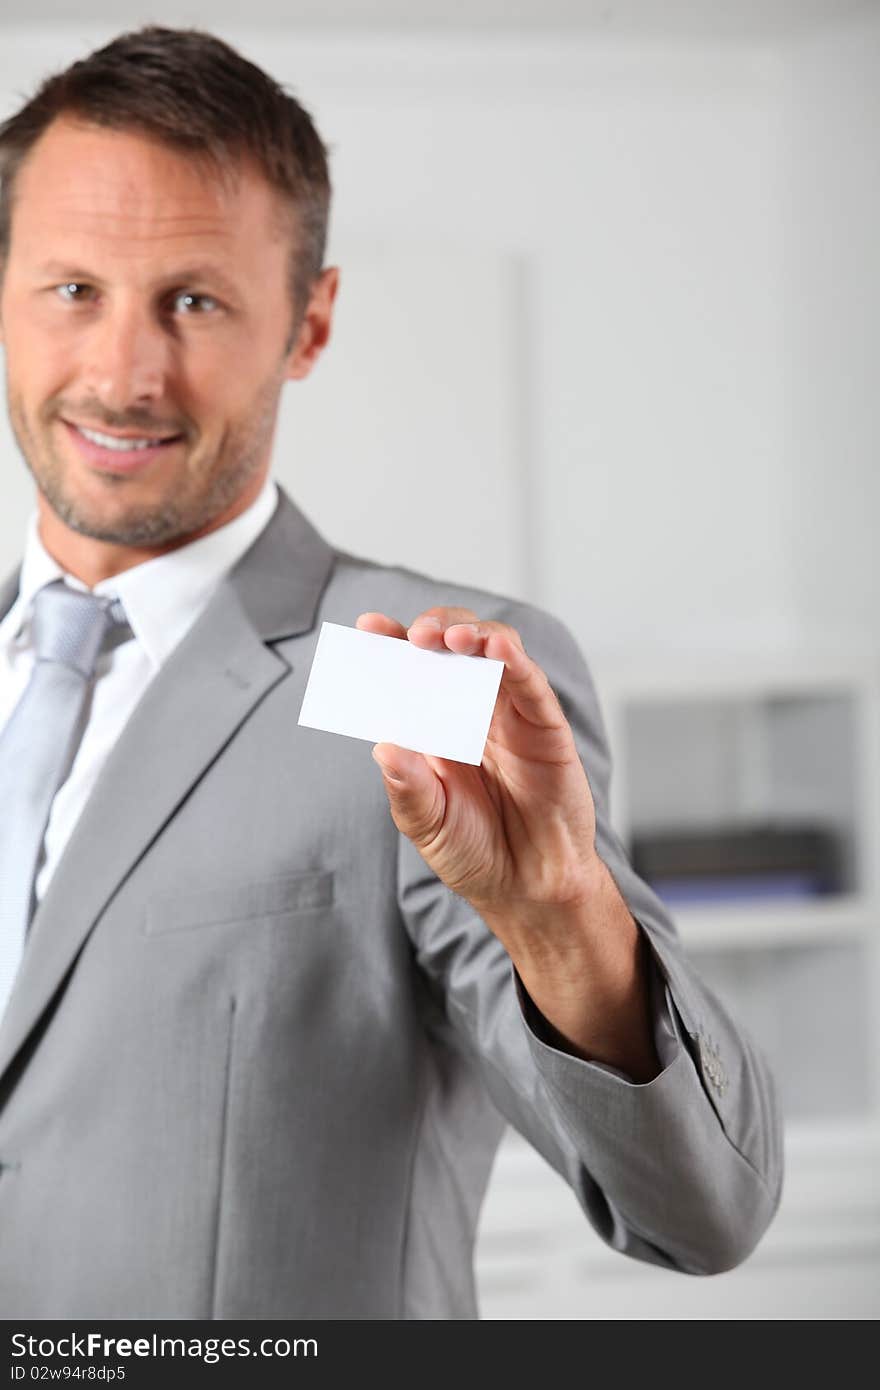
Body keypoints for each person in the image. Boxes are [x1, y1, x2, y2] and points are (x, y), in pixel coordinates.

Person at [0, 26, 782, 1320]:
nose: (125, 371)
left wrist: (561, 919)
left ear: (309, 323)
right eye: (72, 290)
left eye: (194, 300)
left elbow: (698, 1209)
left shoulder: (401, 675)